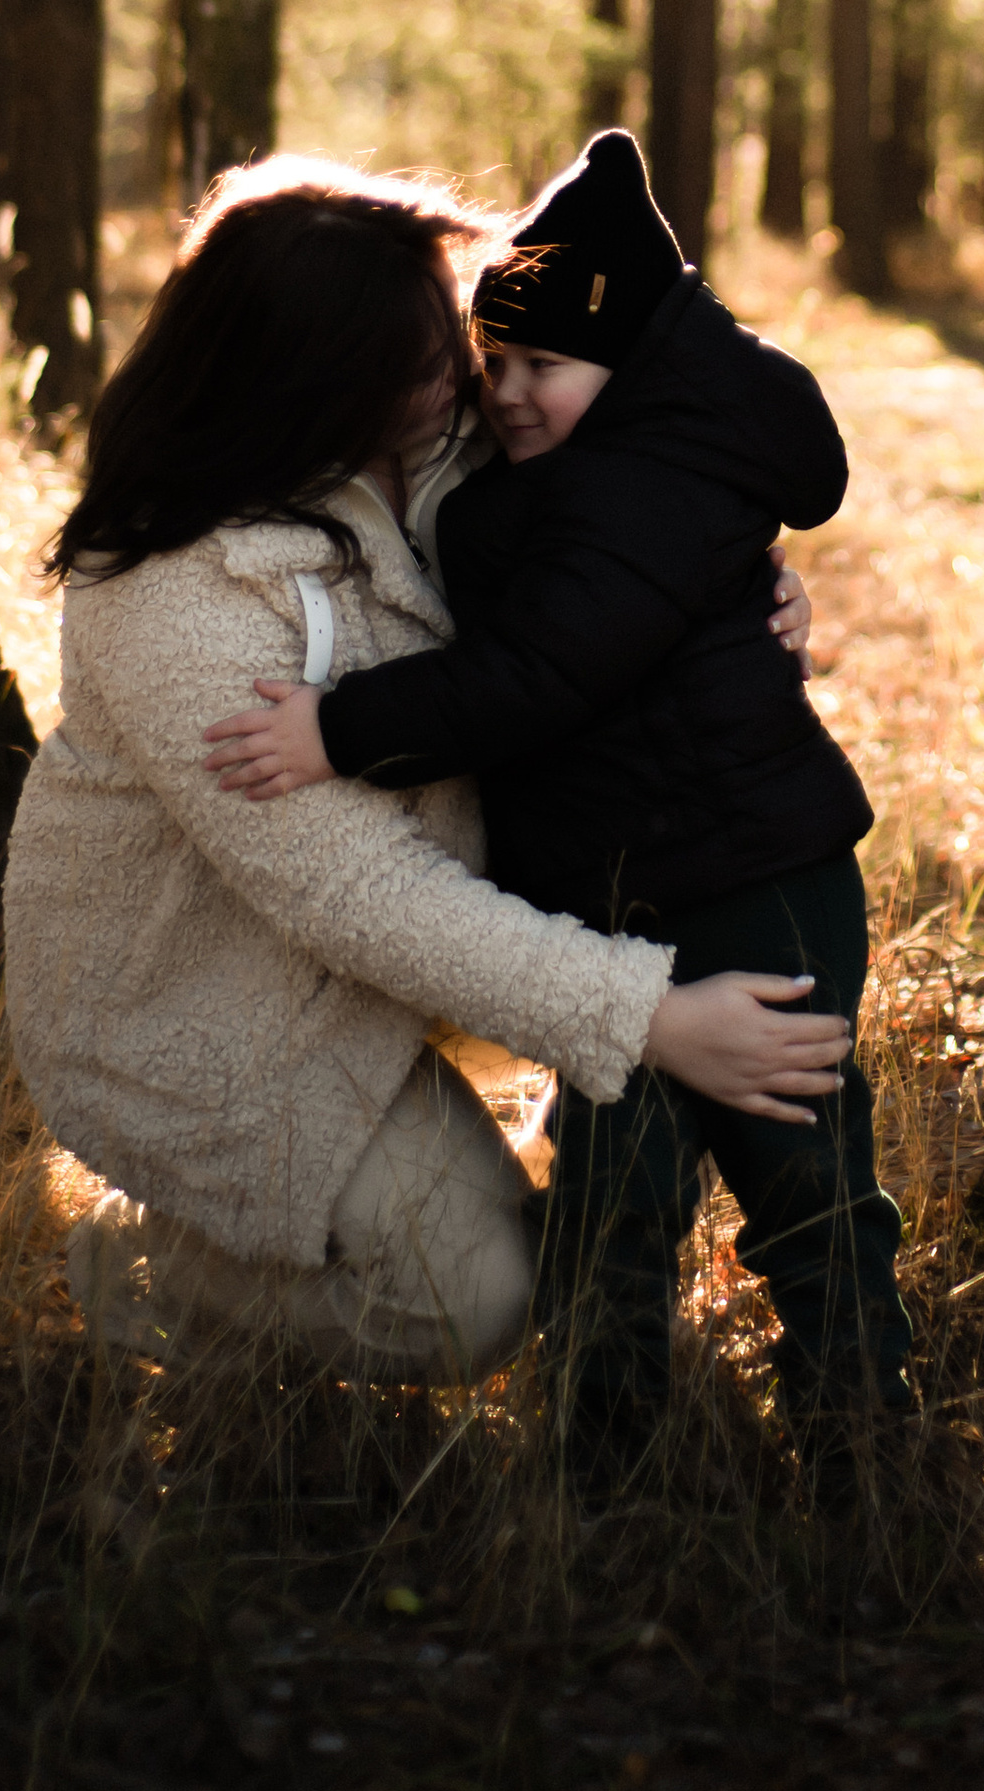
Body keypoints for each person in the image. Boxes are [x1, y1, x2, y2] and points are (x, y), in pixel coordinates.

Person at [2, 156, 848, 1382]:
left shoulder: (453, 437)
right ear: (310, 388)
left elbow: (630, 533)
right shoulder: (172, 600)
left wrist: (743, 588)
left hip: (434, 947)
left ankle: (523, 1136)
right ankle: (147, 1270)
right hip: (220, 1005)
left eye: (443, 338)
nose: (461, 375)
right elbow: (356, 897)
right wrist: (651, 1022)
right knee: (475, 1305)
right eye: (418, 365)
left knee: (554, 1239)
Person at [203, 130, 911, 1478]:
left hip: (758, 879)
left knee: (805, 1170)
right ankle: (603, 1445)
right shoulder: (599, 473)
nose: (510, 395)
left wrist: (336, 730)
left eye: (544, 366)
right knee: (614, 1184)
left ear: (630, 359)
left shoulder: (647, 488)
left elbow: (538, 673)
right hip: (627, 893)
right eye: (496, 365)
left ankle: (867, 1429)